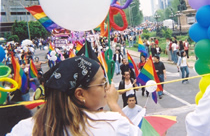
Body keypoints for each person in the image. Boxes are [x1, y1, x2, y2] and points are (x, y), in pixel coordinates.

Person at [8, 56, 141, 136]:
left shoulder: (23, 129)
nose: (107, 88)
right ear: (80, 94)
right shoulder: (112, 124)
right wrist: (113, 104)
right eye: (102, 83)